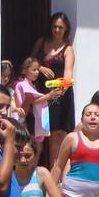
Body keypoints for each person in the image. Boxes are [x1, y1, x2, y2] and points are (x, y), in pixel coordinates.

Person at [32, 12, 76, 167]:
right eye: (54, 27)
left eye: (60, 27)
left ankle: (56, 172)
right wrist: (41, 67)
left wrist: (60, 91)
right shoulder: (41, 42)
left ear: (66, 29)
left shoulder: (68, 49)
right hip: (41, 93)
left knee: (57, 133)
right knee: (44, 132)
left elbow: (68, 73)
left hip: (59, 94)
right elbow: (30, 63)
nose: (57, 30)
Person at [12, 57, 59, 142]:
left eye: (38, 70)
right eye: (34, 70)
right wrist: (50, 95)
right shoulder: (23, 84)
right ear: (24, 70)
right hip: (20, 118)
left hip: (25, 118)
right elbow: (32, 101)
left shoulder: (31, 85)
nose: (37, 72)